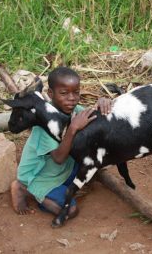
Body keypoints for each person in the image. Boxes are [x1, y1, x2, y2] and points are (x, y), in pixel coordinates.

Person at [10, 67, 111, 219]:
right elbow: (58, 158)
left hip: (64, 170)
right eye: (64, 93)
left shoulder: (74, 109)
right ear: (51, 94)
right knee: (70, 211)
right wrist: (73, 128)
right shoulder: (43, 124)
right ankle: (23, 188)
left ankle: (61, 190)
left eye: (76, 92)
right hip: (40, 178)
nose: (71, 98)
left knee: (96, 158)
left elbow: (93, 119)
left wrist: (103, 102)